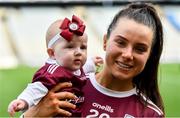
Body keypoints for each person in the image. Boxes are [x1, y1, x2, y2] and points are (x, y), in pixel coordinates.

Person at [23, 2, 165, 117]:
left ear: (149, 55)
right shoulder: (65, 85)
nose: (128, 54)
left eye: (140, 49)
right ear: (105, 42)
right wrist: (33, 115)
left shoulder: (150, 114)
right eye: (121, 42)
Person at [8, 15, 103, 117]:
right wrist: (23, 101)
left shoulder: (72, 66)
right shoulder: (53, 71)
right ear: (52, 53)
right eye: (70, 47)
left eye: (83, 47)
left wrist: (92, 62)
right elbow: (37, 87)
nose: (78, 52)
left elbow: (82, 69)